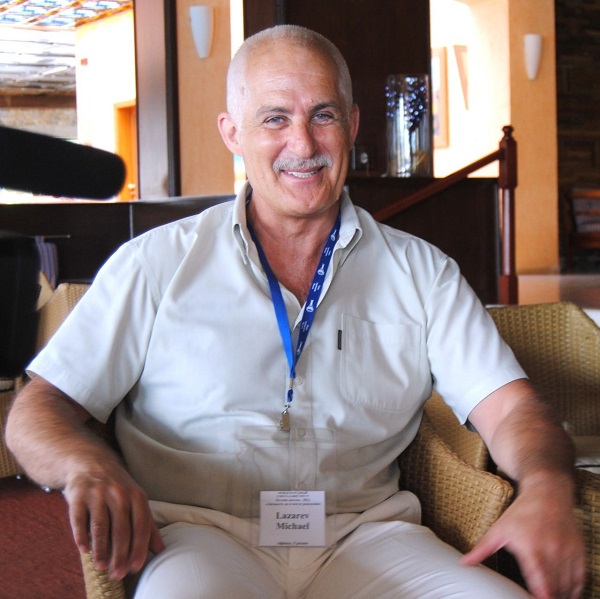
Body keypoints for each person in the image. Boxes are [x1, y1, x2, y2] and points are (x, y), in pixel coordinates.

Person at [7, 24, 584, 599]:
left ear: (352, 125)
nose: (304, 145)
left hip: (367, 537)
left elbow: (513, 410)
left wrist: (546, 484)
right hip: (197, 537)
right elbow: (38, 410)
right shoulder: (156, 263)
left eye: (322, 115)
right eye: (275, 119)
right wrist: (86, 464)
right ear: (233, 133)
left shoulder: (422, 272)